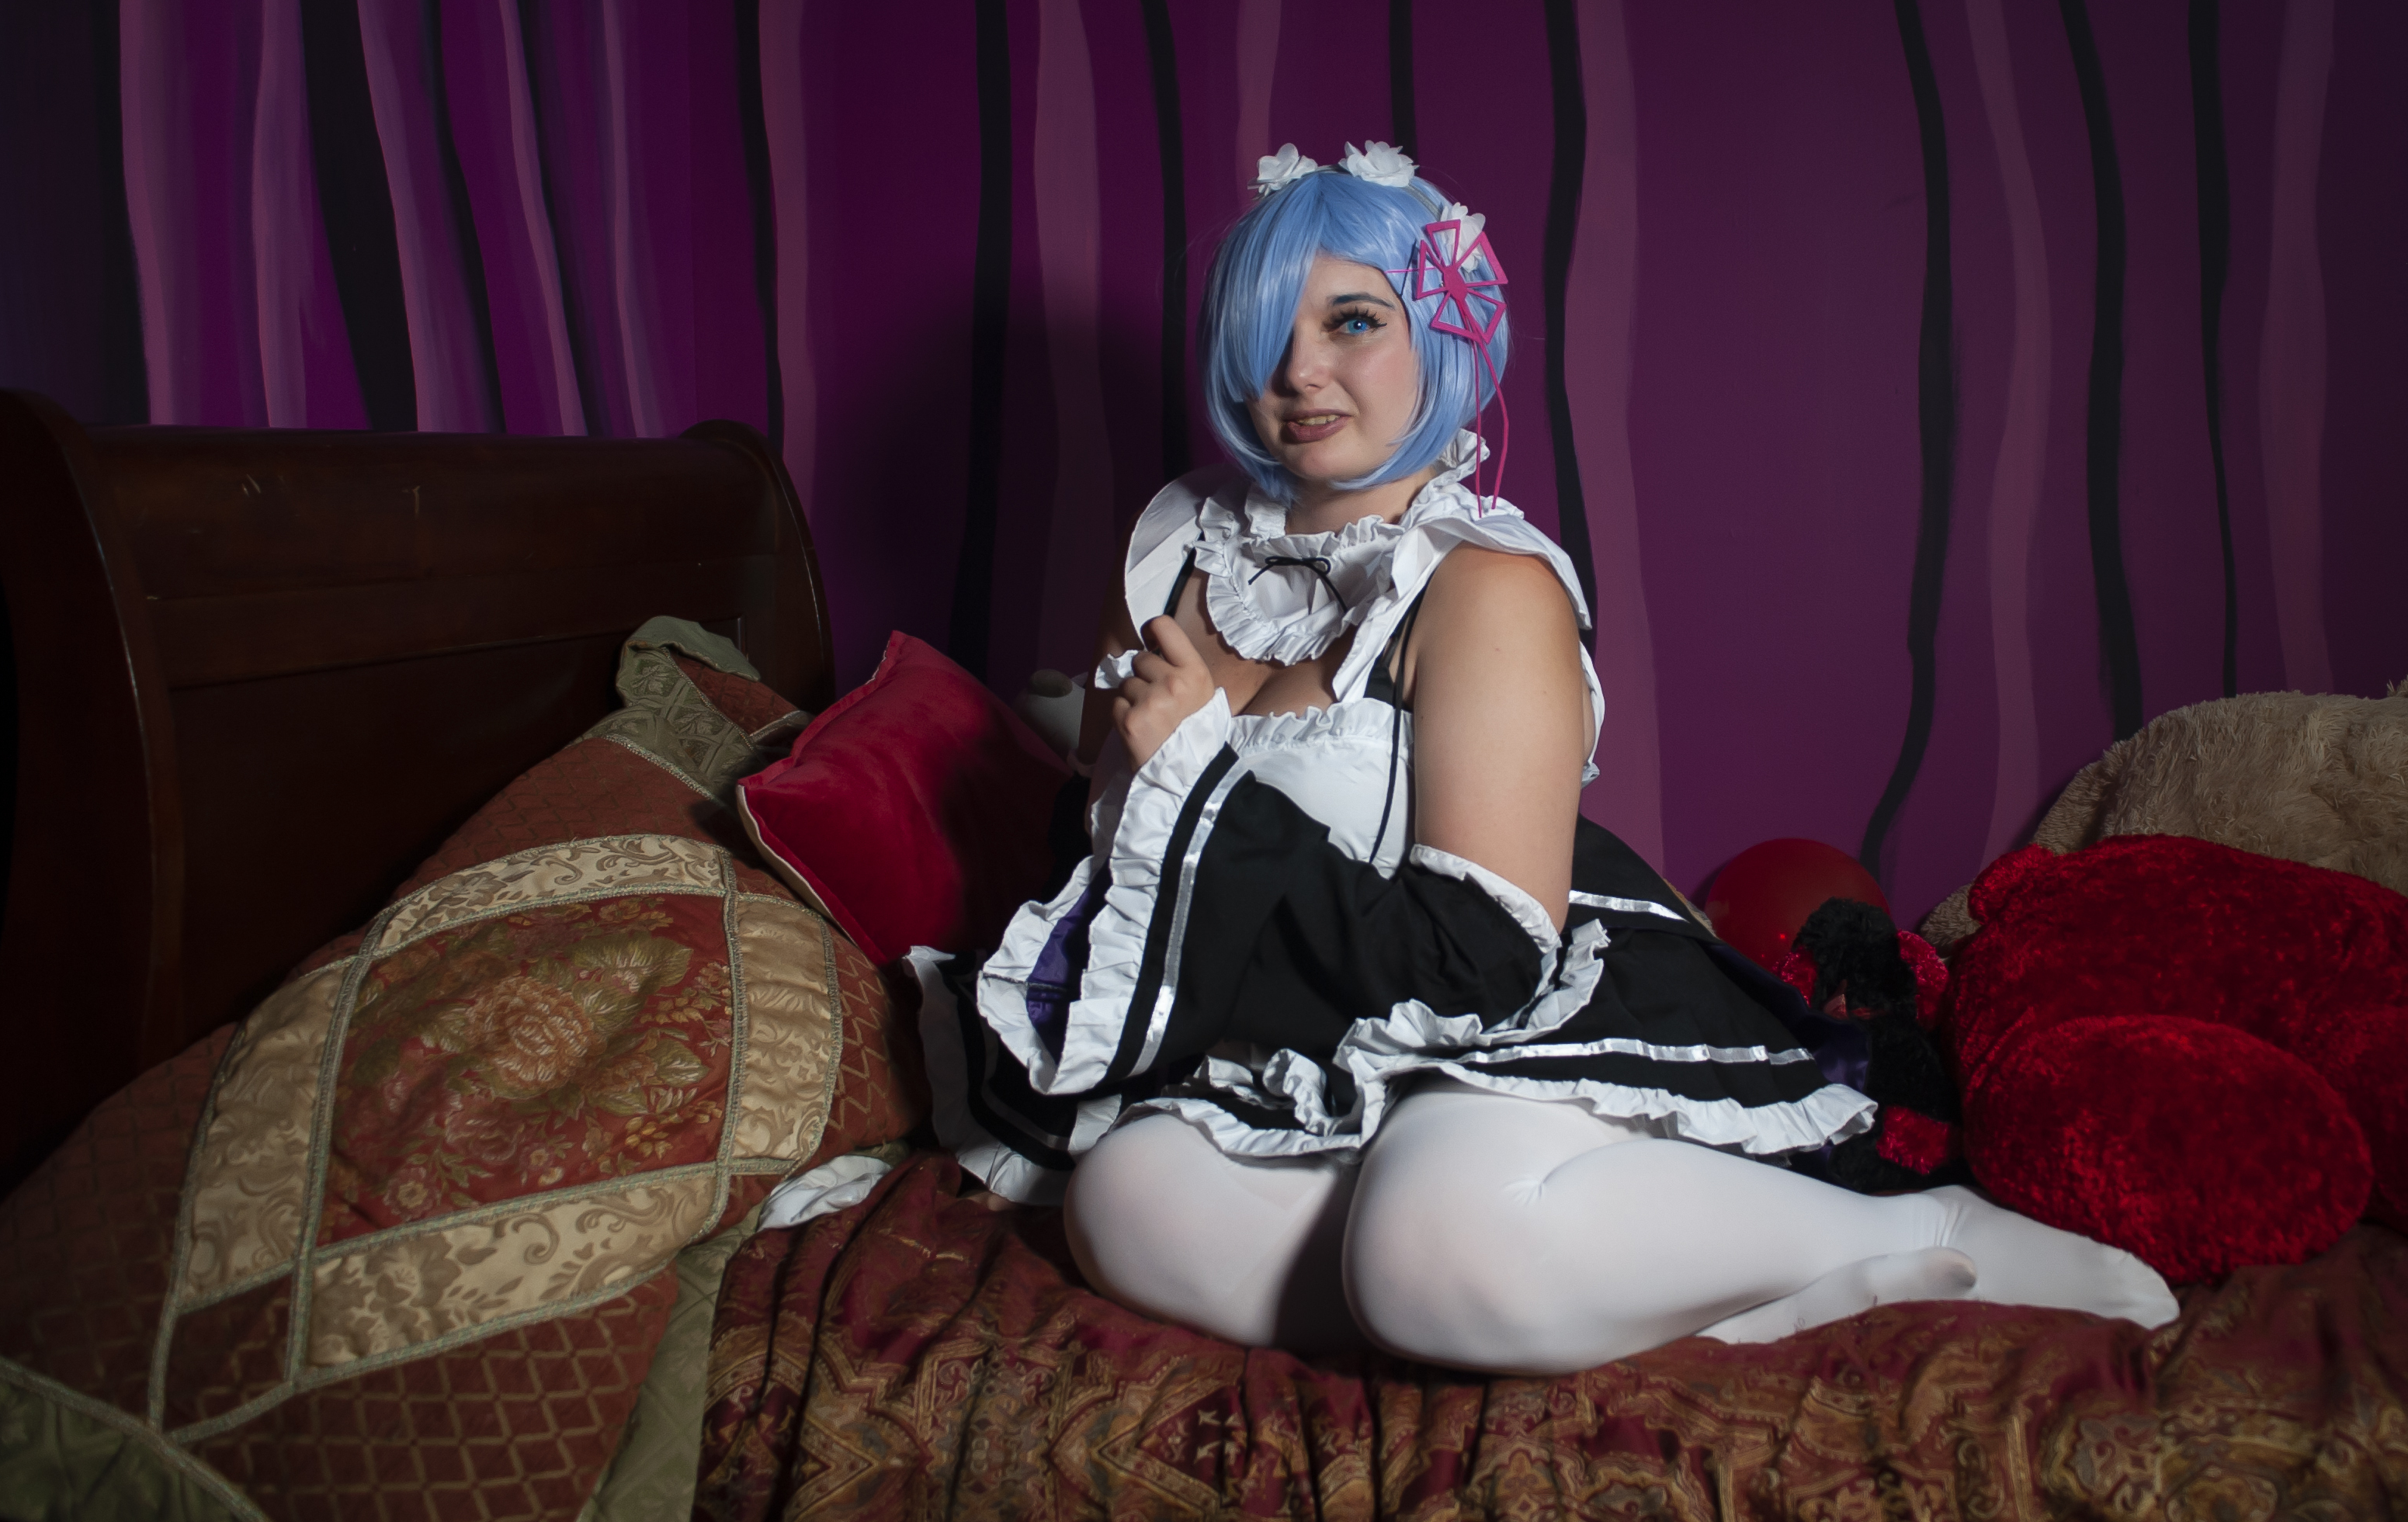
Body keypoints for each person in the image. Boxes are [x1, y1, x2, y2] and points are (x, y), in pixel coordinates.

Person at [910, 141, 2177, 1372]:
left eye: (1352, 322)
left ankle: (1921, 1233)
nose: (1297, 373)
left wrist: (1199, 779)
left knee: (1430, 1246)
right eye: (1262, 333)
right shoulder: (1174, 551)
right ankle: (1664, 1301)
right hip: (1289, 1039)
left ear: (1441, 331)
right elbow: (1112, 859)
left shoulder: (1484, 582)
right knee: (1127, 1200)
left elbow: (1484, 964)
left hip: (1504, 1012)